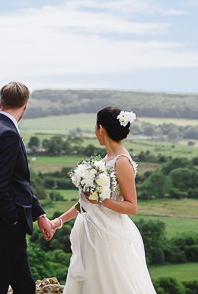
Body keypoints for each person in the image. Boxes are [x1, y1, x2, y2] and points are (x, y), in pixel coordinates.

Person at [45, 106, 156, 294]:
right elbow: (87, 202)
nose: (95, 131)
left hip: (110, 236)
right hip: (92, 232)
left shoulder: (122, 161)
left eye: (95, 127)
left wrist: (101, 202)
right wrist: (58, 221)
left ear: (101, 129)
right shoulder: (105, 160)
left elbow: (132, 206)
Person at [0, 81, 54, 294]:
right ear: (26, 105)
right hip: (7, 222)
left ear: (0, 103)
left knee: (24, 285)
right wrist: (13, 217)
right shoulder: (8, 134)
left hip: (2, 220)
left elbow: (17, 181)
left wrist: (39, 214)